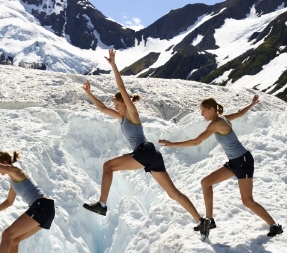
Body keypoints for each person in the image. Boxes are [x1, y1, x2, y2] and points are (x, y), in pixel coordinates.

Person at [82, 49, 209, 239]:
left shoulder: (132, 114)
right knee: (172, 193)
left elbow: (122, 89)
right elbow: (102, 108)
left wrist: (114, 66)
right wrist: (89, 93)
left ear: (125, 104)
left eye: (117, 103)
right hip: (151, 155)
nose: (115, 106)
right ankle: (201, 221)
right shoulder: (121, 116)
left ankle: (102, 205)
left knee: (108, 166)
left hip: (144, 151)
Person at [158, 95, 283, 237]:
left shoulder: (216, 123)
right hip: (235, 162)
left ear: (212, 109)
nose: (202, 114)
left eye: (203, 111)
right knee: (206, 182)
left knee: (247, 201)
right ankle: (210, 220)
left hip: (243, 162)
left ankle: (275, 226)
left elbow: (196, 142)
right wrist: (252, 104)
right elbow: (241, 113)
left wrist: (172, 144)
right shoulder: (223, 119)